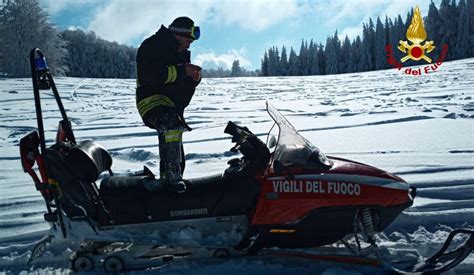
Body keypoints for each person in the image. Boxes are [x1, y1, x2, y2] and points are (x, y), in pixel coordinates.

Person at [136, 16, 201, 193]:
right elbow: (149, 76)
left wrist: (192, 81)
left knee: (175, 141)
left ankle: (173, 184)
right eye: (188, 40)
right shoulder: (152, 45)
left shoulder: (180, 53)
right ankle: (171, 179)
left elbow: (181, 95)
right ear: (178, 35)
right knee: (171, 125)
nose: (189, 45)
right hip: (150, 101)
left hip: (171, 107)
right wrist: (182, 71)